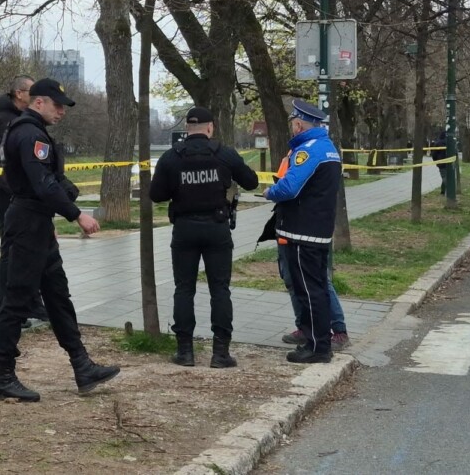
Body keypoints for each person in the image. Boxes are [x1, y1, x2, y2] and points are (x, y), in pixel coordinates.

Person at [0, 78, 120, 402]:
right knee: (16, 301)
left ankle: (82, 365)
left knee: (58, 296)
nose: (62, 112)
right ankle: (3, 376)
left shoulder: (34, 132)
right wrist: (77, 214)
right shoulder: (29, 133)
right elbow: (42, 184)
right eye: (57, 105)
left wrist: (67, 191)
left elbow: (49, 179)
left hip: (38, 224)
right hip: (27, 224)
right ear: (39, 102)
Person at [149, 107, 259, 368]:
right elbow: (252, 182)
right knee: (219, 289)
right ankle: (220, 353)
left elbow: (156, 194)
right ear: (210, 128)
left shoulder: (171, 157)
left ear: (187, 128)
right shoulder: (224, 154)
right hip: (216, 227)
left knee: (183, 289)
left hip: (184, 229)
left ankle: (185, 352)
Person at [264, 99, 343, 364]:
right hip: (319, 231)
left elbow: (289, 188)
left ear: (299, 125)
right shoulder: (328, 148)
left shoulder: (306, 152)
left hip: (301, 232)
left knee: (308, 292)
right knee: (318, 289)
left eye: (293, 123)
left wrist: (269, 192)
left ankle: (316, 347)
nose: (292, 128)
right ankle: (321, 343)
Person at [272, 152, 349, 351]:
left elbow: (291, 188)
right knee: (292, 280)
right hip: (286, 225)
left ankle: (338, 330)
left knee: (318, 281)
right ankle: (304, 327)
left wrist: (272, 192)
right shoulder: (292, 153)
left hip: (304, 229)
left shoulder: (311, 153)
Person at [0, 75, 47, 324]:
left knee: (27, 251)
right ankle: (8, 309)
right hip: (7, 195)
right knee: (10, 251)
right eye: (32, 91)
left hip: (21, 195)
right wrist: (16, 194)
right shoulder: (4, 120)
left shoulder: (23, 119)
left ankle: (29, 303)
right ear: (19, 93)